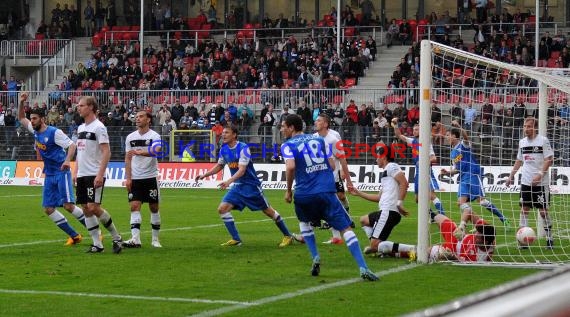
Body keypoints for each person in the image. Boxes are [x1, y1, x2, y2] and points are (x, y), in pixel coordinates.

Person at [280, 114, 378, 281]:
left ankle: (316, 257)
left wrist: (288, 190)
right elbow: (332, 165)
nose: (281, 129)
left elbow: (290, 167)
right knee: (345, 228)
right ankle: (363, 267)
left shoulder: (287, 145)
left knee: (304, 223)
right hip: (326, 190)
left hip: (304, 193)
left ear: (291, 127)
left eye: (283, 126)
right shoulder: (319, 141)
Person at [195, 124, 296, 247]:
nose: (223, 135)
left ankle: (288, 236)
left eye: (227, 132)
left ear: (234, 135)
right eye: (223, 133)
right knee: (222, 209)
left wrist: (228, 181)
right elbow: (219, 166)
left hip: (251, 186)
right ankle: (236, 239)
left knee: (269, 212)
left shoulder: (243, 148)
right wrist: (205, 175)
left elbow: (242, 170)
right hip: (237, 187)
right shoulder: (223, 149)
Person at [18, 92, 86, 246]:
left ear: (42, 119)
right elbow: (21, 118)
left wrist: (68, 161)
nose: (32, 121)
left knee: (68, 206)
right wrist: (21, 102)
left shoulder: (54, 133)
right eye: (32, 118)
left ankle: (96, 232)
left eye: (35, 118)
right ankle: (75, 236)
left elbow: (72, 145)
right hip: (49, 174)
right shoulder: (35, 131)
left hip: (61, 172)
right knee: (48, 208)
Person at [440, 120, 509, 236]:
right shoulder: (452, 153)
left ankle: (503, 218)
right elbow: (457, 169)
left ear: (454, 136)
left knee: (482, 202)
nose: (446, 138)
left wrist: (459, 126)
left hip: (473, 174)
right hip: (463, 178)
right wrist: (447, 172)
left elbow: (466, 137)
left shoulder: (463, 145)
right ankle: (479, 225)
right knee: (461, 203)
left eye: (448, 135)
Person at [74, 96, 123, 254]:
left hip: (94, 173)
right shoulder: (81, 128)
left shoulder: (99, 127)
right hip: (82, 174)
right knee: (85, 208)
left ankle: (116, 237)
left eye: (81, 105)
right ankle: (97, 244)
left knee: (93, 207)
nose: (78, 108)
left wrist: (100, 175)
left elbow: (106, 152)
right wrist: (75, 172)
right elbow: (80, 153)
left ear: (90, 107)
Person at [348, 142, 411, 256]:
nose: (376, 159)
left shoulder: (391, 166)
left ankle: (414, 249)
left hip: (388, 211)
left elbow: (404, 183)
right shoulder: (386, 173)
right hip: (386, 211)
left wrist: (399, 203)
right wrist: (358, 193)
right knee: (364, 220)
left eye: (377, 156)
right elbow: (378, 197)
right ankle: (378, 247)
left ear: (384, 157)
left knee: (374, 246)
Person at [506, 117, 554, 249]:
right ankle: (523, 241)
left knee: (543, 211)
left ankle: (550, 238)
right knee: (524, 209)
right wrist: (511, 176)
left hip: (541, 184)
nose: (526, 129)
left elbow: (549, 159)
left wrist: (539, 175)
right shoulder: (522, 142)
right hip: (526, 182)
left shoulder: (543, 141)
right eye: (525, 126)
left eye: (529, 126)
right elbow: (519, 160)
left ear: (535, 128)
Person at [391, 117, 446, 222]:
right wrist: (395, 124)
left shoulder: (425, 143)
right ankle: (433, 216)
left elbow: (434, 158)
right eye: (413, 130)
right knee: (417, 199)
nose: (414, 131)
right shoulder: (413, 141)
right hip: (418, 172)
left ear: (421, 131)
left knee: (431, 195)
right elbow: (399, 135)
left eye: (416, 129)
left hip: (426, 172)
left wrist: (424, 162)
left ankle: (443, 216)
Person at [122, 111, 163, 248]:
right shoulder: (130, 137)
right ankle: (135, 239)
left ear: (148, 120)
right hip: (135, 178)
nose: (137, 119)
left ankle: (155, 239)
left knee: (154, 207)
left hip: (150, 177)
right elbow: (127, 158)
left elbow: (157, 150)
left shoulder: (154, 135)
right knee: (134, 206)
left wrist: (142, 152)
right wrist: (128, 178)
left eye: (141, 116)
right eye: (136, 117)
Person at [314, 113, 355, 245]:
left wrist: (347, 178)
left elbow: (342, 159)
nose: (316, 122)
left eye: (319, 120)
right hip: (319, 177)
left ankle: (341, 227)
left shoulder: (333, 138)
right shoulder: (313, 138)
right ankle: (337, 234)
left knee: (340, 198)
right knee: (329, 203)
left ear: (325, 124)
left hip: (334, 174)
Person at [428, 213, 495, 262]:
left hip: (452, 248)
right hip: (457, 235)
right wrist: (461, 227)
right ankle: (429, 213)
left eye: (477, 238)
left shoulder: (478, 258)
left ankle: (418, 253)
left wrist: (450, 256)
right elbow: (469, 212)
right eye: (476, 234)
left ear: (485, 242)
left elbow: (460, 260)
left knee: (427, 252)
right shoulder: (489, 234)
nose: (475, 236)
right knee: (439, 217)